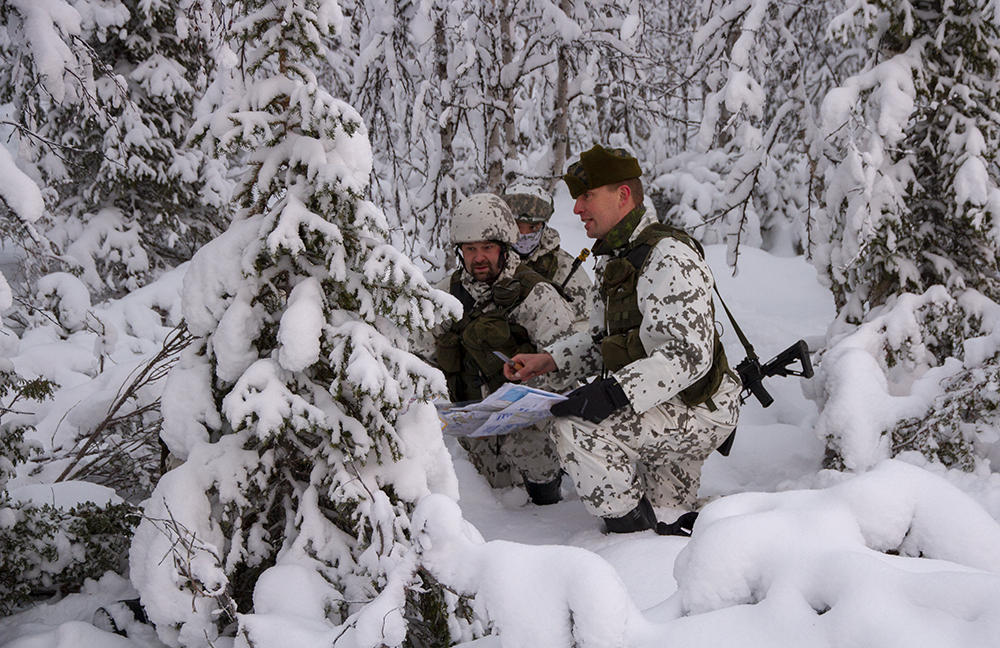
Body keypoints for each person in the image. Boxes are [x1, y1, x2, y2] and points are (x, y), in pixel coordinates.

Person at [504, 145, 741, 533]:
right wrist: (548, 360)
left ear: (623, 195)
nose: (578, 208)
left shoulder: (667, 256)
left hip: (698, 407)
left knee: (575, 429)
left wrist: (612, 394)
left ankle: (629, 537)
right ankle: (691, 526)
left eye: (587, 196)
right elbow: (602, 338)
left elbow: (686, 355)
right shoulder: (621, 255)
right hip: (664, 401)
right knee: (669, 511)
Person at [419, 193, 578, 505]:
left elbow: (567, 359)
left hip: (532, 422)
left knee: (528, 452)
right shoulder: (445, 296)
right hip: (475, 423)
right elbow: (418, 354)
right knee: (491, 490)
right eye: (470, 249)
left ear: (504, 248)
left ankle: (550, 506)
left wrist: (528, 392)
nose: (479, 257)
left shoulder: (535, 294)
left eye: (488, 248)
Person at [502, 187, 593, 331]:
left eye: (533, 227)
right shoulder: (489, 259)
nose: (524, 234)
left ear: (543, 226)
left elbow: (587, 323)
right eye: (517, 226)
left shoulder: (565, 268)